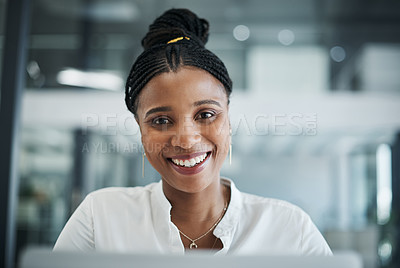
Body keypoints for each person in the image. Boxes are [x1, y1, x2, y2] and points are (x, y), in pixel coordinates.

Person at [54, 8, 332, 255]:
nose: (186, 140)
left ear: (229, 121)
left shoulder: (290, 230)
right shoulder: (99, 219)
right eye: (161, 121)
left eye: (206, 115)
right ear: (140, 130)